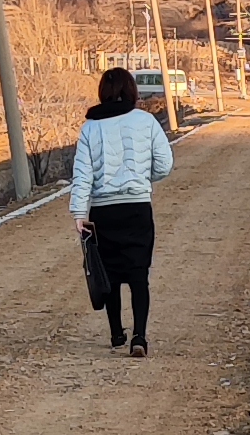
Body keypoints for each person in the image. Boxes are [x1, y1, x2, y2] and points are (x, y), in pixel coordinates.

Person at [68, 64, 175, 356]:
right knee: (139, 275)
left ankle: (116, 332)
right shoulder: (146, 121)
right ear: (131, 91)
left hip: (104, 212)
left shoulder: (90, 127)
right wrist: (142, 180)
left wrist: (80, 214)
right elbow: (164, 164)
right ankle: (139, 337)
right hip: (138, 208)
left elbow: (83, 175)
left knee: (110, 275)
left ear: (103, 92)